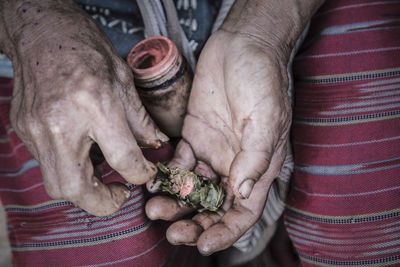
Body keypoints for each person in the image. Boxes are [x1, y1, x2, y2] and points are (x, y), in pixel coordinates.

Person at [1, 0, 399, 267]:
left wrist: (262, 31)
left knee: (359, 208)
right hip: (55, 51)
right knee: (112, 249)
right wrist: (32, 28)